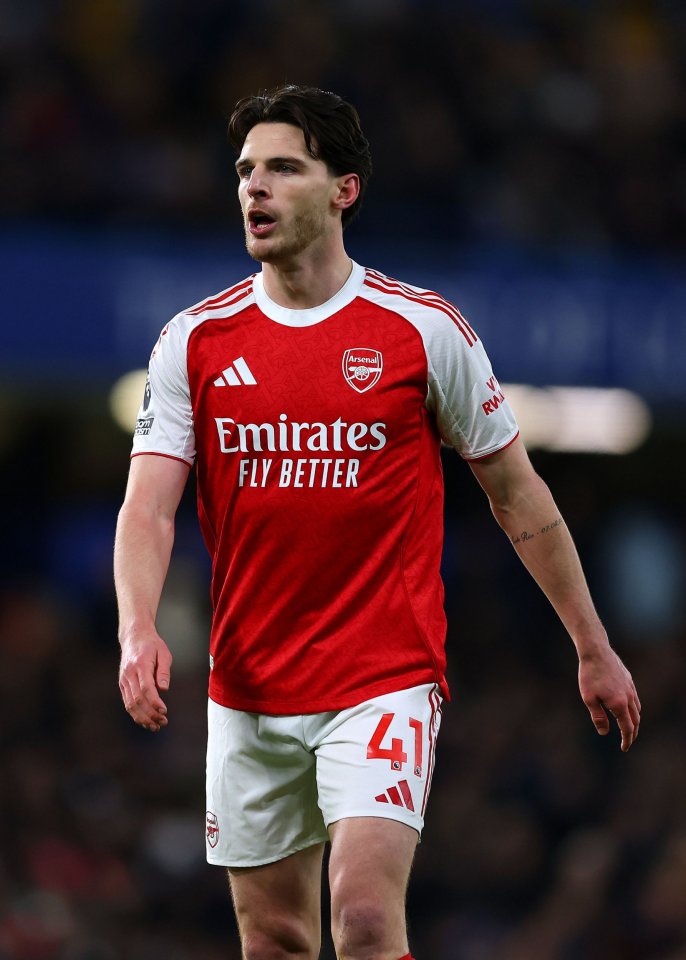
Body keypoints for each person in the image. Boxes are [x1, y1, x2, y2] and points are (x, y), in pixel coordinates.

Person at [114, 84, 640, 960]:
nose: (256, 188)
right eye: (246, 171)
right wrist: (137, 629)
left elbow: (518, 496)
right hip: (247, 686)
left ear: (342, 189)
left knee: (360, 917)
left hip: (381, 676)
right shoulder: (193, 342)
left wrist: (591, 644)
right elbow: (148, 507)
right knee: (277, 936)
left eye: (284, 168)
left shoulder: (420, 330)